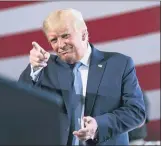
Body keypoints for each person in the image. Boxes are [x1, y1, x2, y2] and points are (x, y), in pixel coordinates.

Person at [18, 8, 145, 145]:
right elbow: (20, 103)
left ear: (84, 34)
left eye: (65, 36)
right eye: (54, 40)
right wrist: (34, 69)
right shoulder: (45, 67)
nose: (60, 45)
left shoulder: (119, 64)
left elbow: (136, 112)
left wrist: (98, 125)